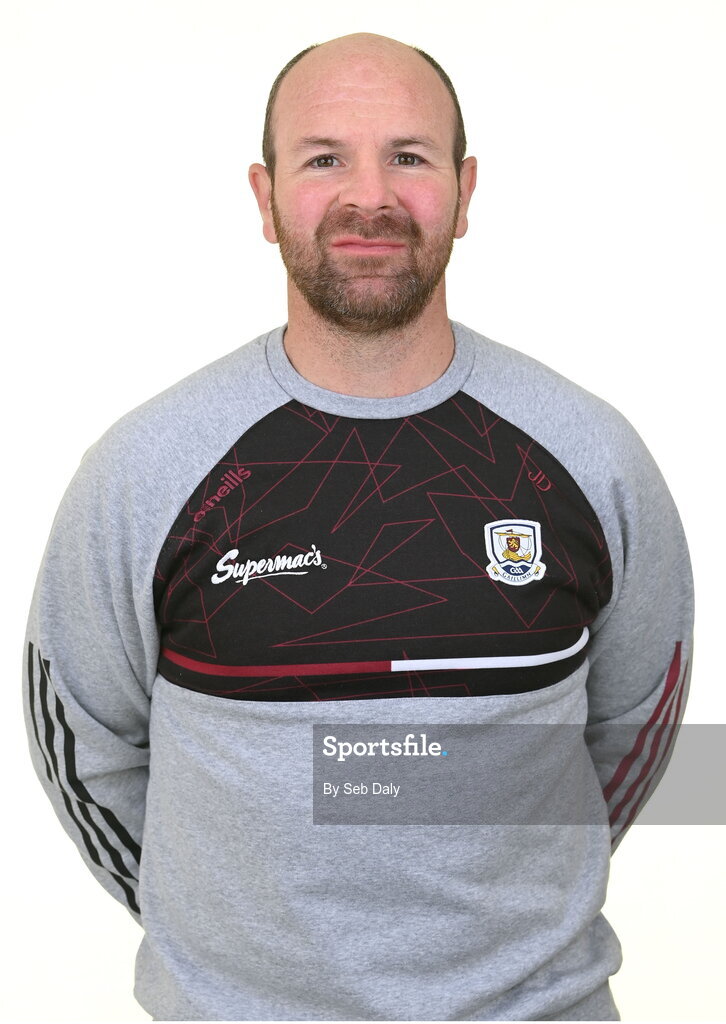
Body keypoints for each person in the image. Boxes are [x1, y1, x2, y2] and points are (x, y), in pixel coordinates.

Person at [22, 32, 694, 1022]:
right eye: (325, 157)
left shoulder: (592, 460)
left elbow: (633, 735)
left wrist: (512, 933)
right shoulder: (146, 471)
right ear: (265, 197)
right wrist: (219, 949)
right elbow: (81, 743)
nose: (369, 197)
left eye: (410, 157)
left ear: (466, 193)